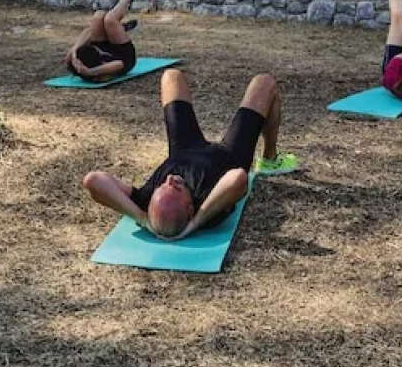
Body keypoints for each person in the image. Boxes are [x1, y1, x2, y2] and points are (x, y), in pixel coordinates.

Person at [82, 69, 300, 240]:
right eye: (176, 187)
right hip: (230, 153)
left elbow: (93, 181)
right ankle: (270, 159)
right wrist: (197, 222)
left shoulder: (149, 202)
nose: (169, 179)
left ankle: (270, 158)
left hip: (183, 147)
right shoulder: (208, 204)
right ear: (190, 208)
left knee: (171, 76)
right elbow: (238, 179)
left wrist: (142, 218)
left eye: (162, 186)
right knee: (265, 83)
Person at [64, 0, 145, 82]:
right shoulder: (104, 69)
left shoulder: (75, 59)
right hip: (122, 54)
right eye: (98, 51)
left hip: (102, 47)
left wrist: (74, 51)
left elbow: (88, 31)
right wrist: (90, 72)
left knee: (99, 15)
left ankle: (120, 29)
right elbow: (119, 63)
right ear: (101, 59)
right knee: (110, 19)